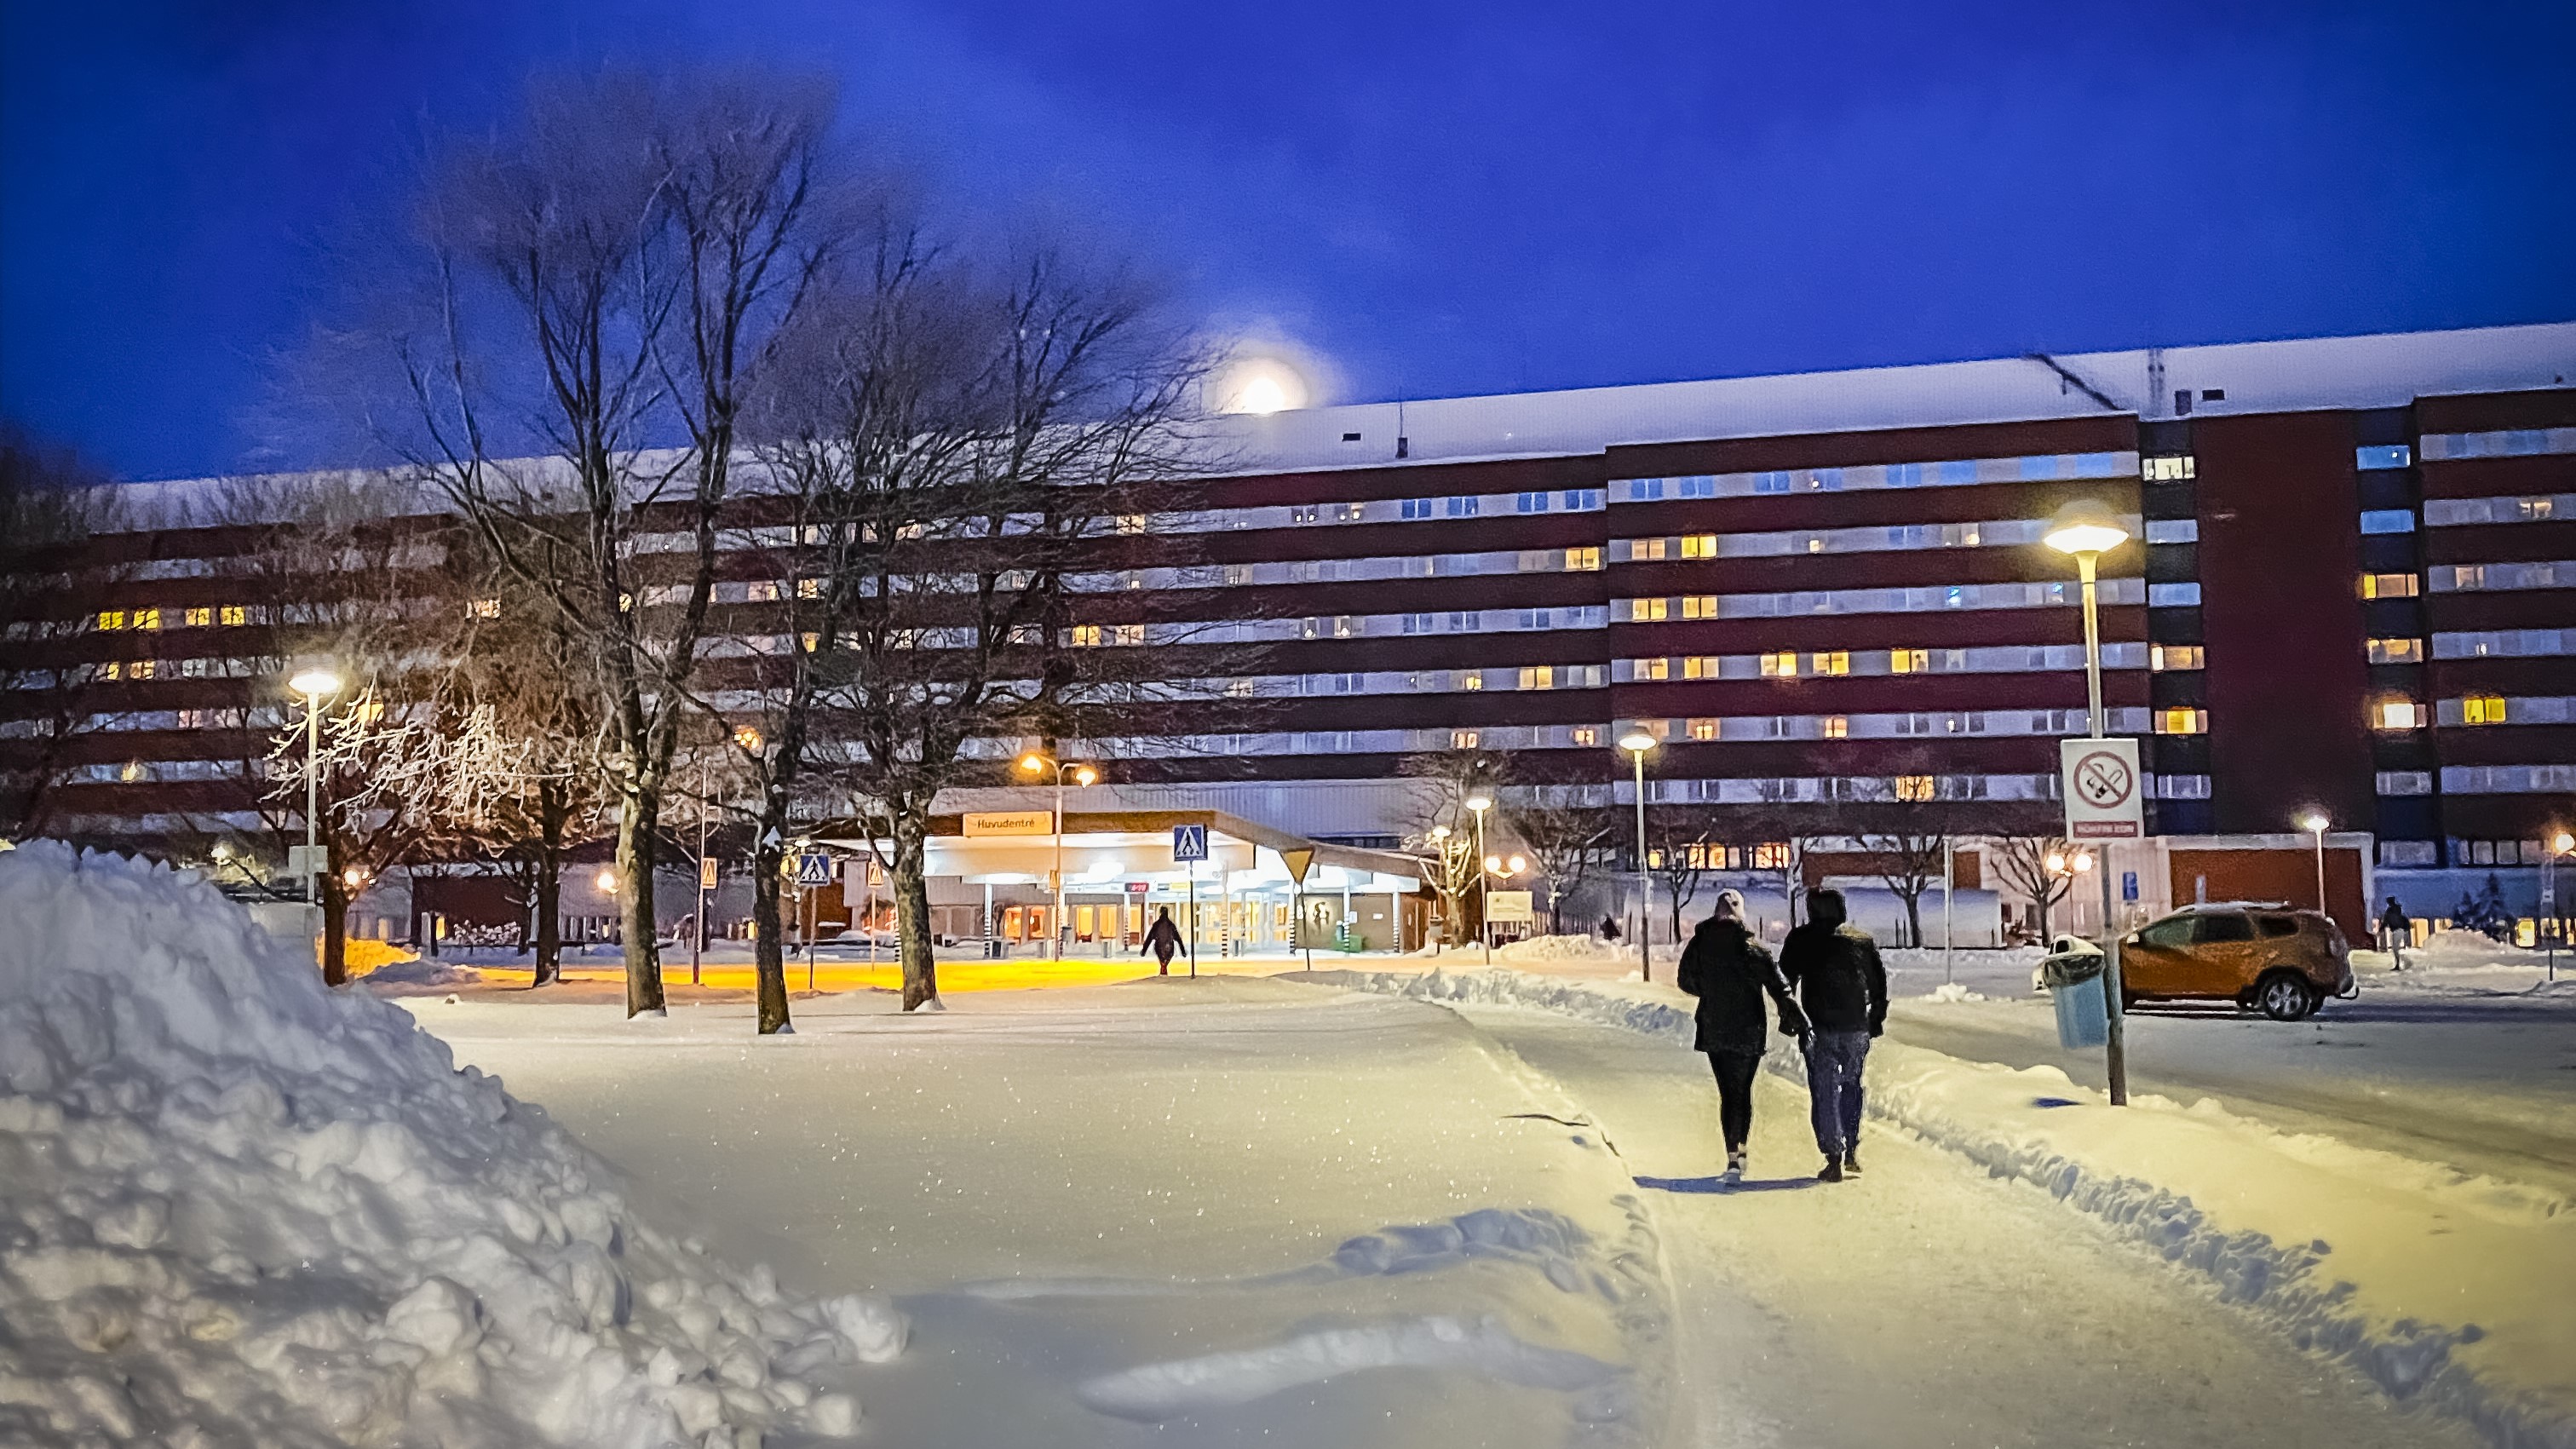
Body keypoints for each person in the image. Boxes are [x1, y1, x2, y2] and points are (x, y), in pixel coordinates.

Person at [1676, 889, 1808, 1182]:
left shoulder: (1700, 944)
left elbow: (1684, 979)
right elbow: (1779, 986)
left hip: (1714, 1025)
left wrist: (1709, 990)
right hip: (1749, 1028)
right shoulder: (1753, 948)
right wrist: (1793, 1015)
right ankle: (1742, 1147)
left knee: (1727, 1092)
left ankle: (1731, 1155)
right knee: (1743, 1091)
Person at [1778, 888, 1888, 1183]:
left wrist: (1791, 1019)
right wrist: (1875, 1020)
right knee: (1852, 1084)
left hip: (1819, 1026)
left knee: (1825, 1089)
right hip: (1856, 1027)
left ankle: (1834, 1156)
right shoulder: (1860, 941)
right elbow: (1878, 985)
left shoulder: (1802, 939)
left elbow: (1784, 982)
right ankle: (1851, 1146)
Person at [1142, 906, 1184, 975]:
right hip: (1169, 948)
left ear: (1160, 913)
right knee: (1165, 960)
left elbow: (1149, 938)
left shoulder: (1157, 925)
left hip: (1159, 947)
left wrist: (1144, 951)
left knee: (1162, 960)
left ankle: (1163, 968)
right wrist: (1183, 951)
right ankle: (1164, 968)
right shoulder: (1171, 925)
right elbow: (1178, 939)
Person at [2378, 896, 2411, 970]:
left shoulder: (2389, 912)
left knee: (2395, 949)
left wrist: (2380, 929)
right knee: (2401, 947)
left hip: (2396, 931)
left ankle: (2399, 964)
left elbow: (2385, 922)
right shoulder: (2399, 913)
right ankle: (2403, 962)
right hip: (2402, 930)